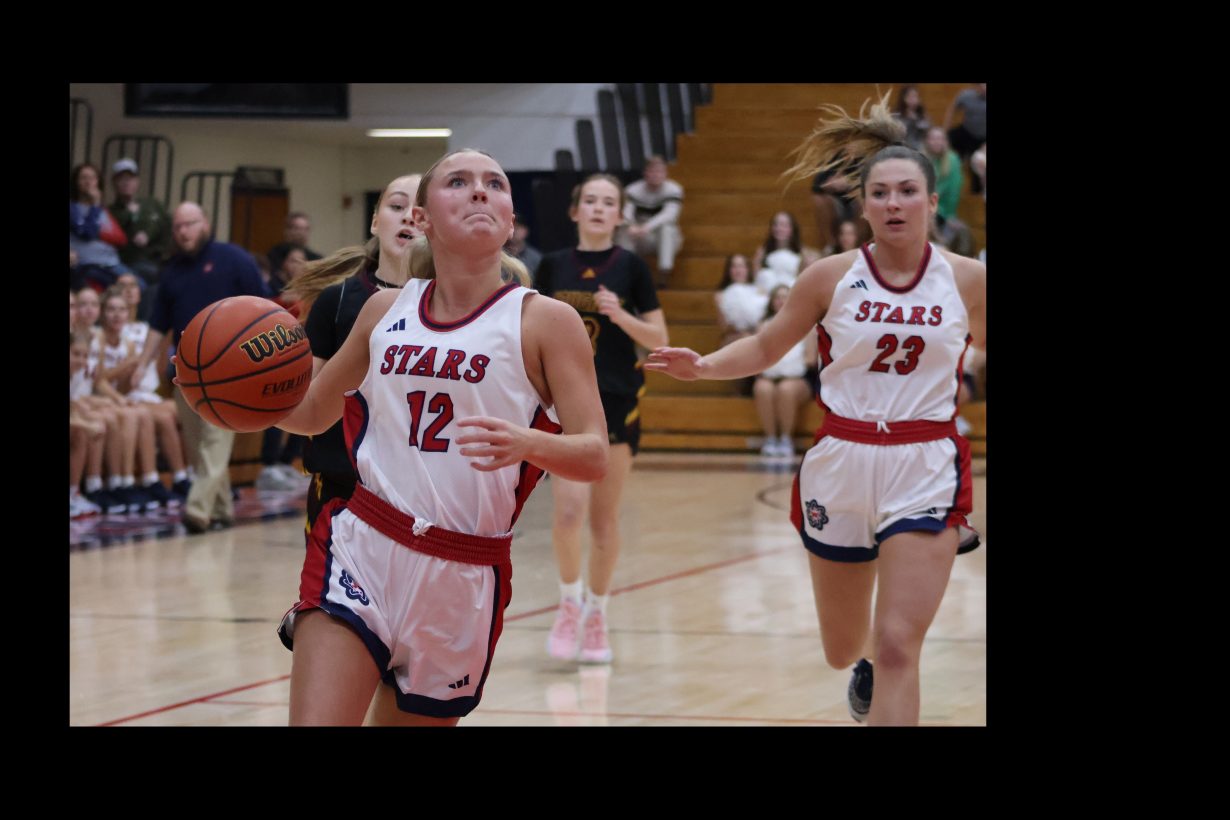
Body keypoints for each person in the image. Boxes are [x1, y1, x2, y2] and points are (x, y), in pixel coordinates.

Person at [647, 94, 986, 726]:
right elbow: (767, 346)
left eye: (907, 191)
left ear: (932, 200)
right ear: (863, 205)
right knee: (844, 647)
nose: (893, 204)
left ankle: (883, 664)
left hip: (925, 463)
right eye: (880, 193)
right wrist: (705, 365)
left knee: (899, 645)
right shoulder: (829, 277)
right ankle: (863, 665)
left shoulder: (968, 280)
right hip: (842, 460)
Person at [255, 149, 608, 726]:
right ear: (421, 219)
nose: (479, 191)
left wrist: (528, 443)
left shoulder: (546, 321)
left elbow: (593, 454)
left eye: (495, 184)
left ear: (510, 220)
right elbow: (314, 411)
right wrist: (233, 398)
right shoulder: (383, 310)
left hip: (463, 572)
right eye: (459, 182)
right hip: (363, 547)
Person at [534, 173, 668, 664]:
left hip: (615, 400)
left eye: (608, 202)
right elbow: (528, 327)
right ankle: (569, 604)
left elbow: (658, 339)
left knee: (603, 519)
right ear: (575, 211)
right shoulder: (552, 265)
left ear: (619, 215)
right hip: (565, 404)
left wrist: (621, 316)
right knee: (568, 513)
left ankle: (597, 613)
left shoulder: (632, 267)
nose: (597, 208)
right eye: (589, 200)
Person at [283, 173, 423, 532]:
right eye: (397, 206)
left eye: (420, 210)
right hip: (341, 490)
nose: (408, 216)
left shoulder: (453, 307)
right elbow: (306, 399)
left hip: (423, 495)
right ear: (375, 221)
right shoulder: (338, 299)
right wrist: (239, 396)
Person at [131, 202, 269, 533]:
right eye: (178, 226)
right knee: (198, 449)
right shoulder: (172, 272)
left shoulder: (234, 259)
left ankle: (196, 510)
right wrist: (142, 363)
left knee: (214, 442)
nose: (183, 232)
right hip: (185, 371)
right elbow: (158, 323)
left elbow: (264, 307)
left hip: (230, 371)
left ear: (205, 223)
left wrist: (261, 357)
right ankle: (221, 509)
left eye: (189, 224)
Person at [753, 285, 817, 459]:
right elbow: (758, 354)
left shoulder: (807, 325)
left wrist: (787, 365)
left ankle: (786, 439)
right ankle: (770, 438)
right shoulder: (763, 325)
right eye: (778, 297)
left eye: (785, 297)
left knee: (786, 389)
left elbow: (810, 360)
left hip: (798, 377)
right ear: (771, 302)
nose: (781, 301)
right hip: (769, 376)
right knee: (762, 388)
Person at [108, 158, 173, 317]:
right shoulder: (110, 211)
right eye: (121, 179)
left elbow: (168, 227)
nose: (126, 182)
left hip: (160, 261)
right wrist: (130, 215)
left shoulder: (152, 204)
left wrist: (150, 235)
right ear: (114, 183)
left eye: (130, 178)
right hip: (129, 263)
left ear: (137, 181)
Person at [617, 155, 684, 286]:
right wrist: (631, 226)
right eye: (652, 171)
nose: (655, 175)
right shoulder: (632, 190)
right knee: (623, 230)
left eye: (659, 171)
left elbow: (669, 215)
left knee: (667, 228)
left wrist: (647, 227)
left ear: (665, 173)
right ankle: (627, 270)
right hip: (640, 236)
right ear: (645, 173)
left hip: (664, 238)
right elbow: (626, 213)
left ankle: (664, 271)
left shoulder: (674, 189)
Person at [70, 163, 132, 291]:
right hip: (88, 265)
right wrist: (95, 205)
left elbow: (121, 239)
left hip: (112, 263)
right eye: (83, 178)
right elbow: (86, 232)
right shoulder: (73, 208)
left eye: (92, 178)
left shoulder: (103, 210)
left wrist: (102, 234)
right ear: (76, 182)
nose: (88, 182)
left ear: (98, 182)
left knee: (139, 286)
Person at [752, 211, 820, 294]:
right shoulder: (762, 252)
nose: (779, 229)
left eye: (784, 225)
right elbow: (757, 280)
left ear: (792, 229)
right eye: (776, 225)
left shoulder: (803, 252)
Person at [714, 253, 766, 348]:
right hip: (734, 338)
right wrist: (743, 333)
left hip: (757, 337)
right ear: (729, 270)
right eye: (734, 266)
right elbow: (724, 327)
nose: (738, 270)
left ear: (748, 269)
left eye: (742, 266)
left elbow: (766, 318)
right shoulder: (721, 295)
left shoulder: (760, 291)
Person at [266, 211, 323, 279]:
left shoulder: (316, 259)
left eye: (306, 229)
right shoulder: (274, 254)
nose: (301, 233)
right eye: (297, 228)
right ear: (287, 231)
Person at [892, 85, 931, 151]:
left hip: (920, 150)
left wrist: (917, 120)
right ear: (904, 98)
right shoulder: (897, 116)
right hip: (902, 149)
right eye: (911, 96)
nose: (914, 99)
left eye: (916, 96)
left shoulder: (922, 115)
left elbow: (928, 132)